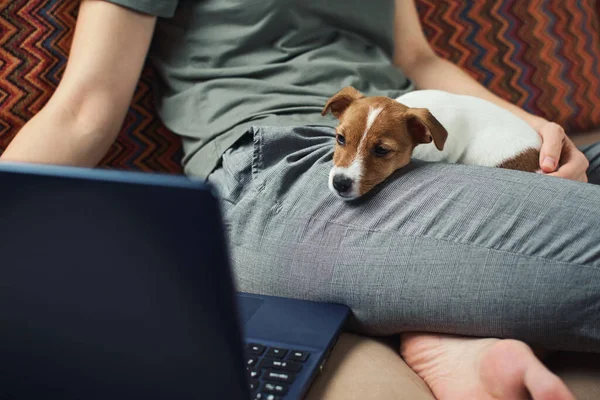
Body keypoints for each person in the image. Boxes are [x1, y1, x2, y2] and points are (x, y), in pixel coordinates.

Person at [2, 0, 599, 398]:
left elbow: (419, 60)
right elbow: (83, 111)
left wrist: (538, 132)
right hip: (278, 162)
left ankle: (439, 322)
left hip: (411, 133)